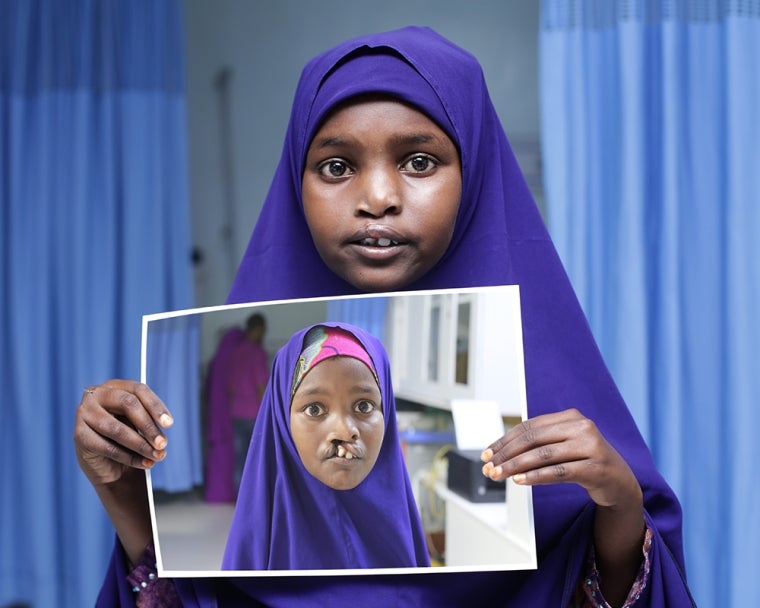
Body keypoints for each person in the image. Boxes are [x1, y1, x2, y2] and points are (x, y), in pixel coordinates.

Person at [73, 26, 695, 607]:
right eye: (336, 167)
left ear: (473, 172)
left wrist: (618, 504)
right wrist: (127, 500)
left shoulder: (545, 391)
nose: (378, 199)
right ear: (298, 180)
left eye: (419, 162)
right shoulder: (252, 516)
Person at [223, 322, 429, 571]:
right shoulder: (259, 543)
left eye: (364, 406)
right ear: (282, 418)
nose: (344, 431)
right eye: (314, 409)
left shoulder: (402, 532)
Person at [227, 312, 269, 494]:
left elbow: (230, 386)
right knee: (257, 459)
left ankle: (239, 498)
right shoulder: (258, 352)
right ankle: (254, 499)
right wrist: (268, 411)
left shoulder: (236, 352)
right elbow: (261, 386)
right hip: (254, 413)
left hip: (237, 412)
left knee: (240, 458)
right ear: (259, 329)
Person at [203, 326, 246, 503]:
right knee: (235, 454)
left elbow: (207, 390)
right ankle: (233, 495)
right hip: (234, 413)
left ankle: (216, 493)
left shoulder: (216, 360)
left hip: (215, 415)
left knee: (218, 454)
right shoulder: (237, 359)